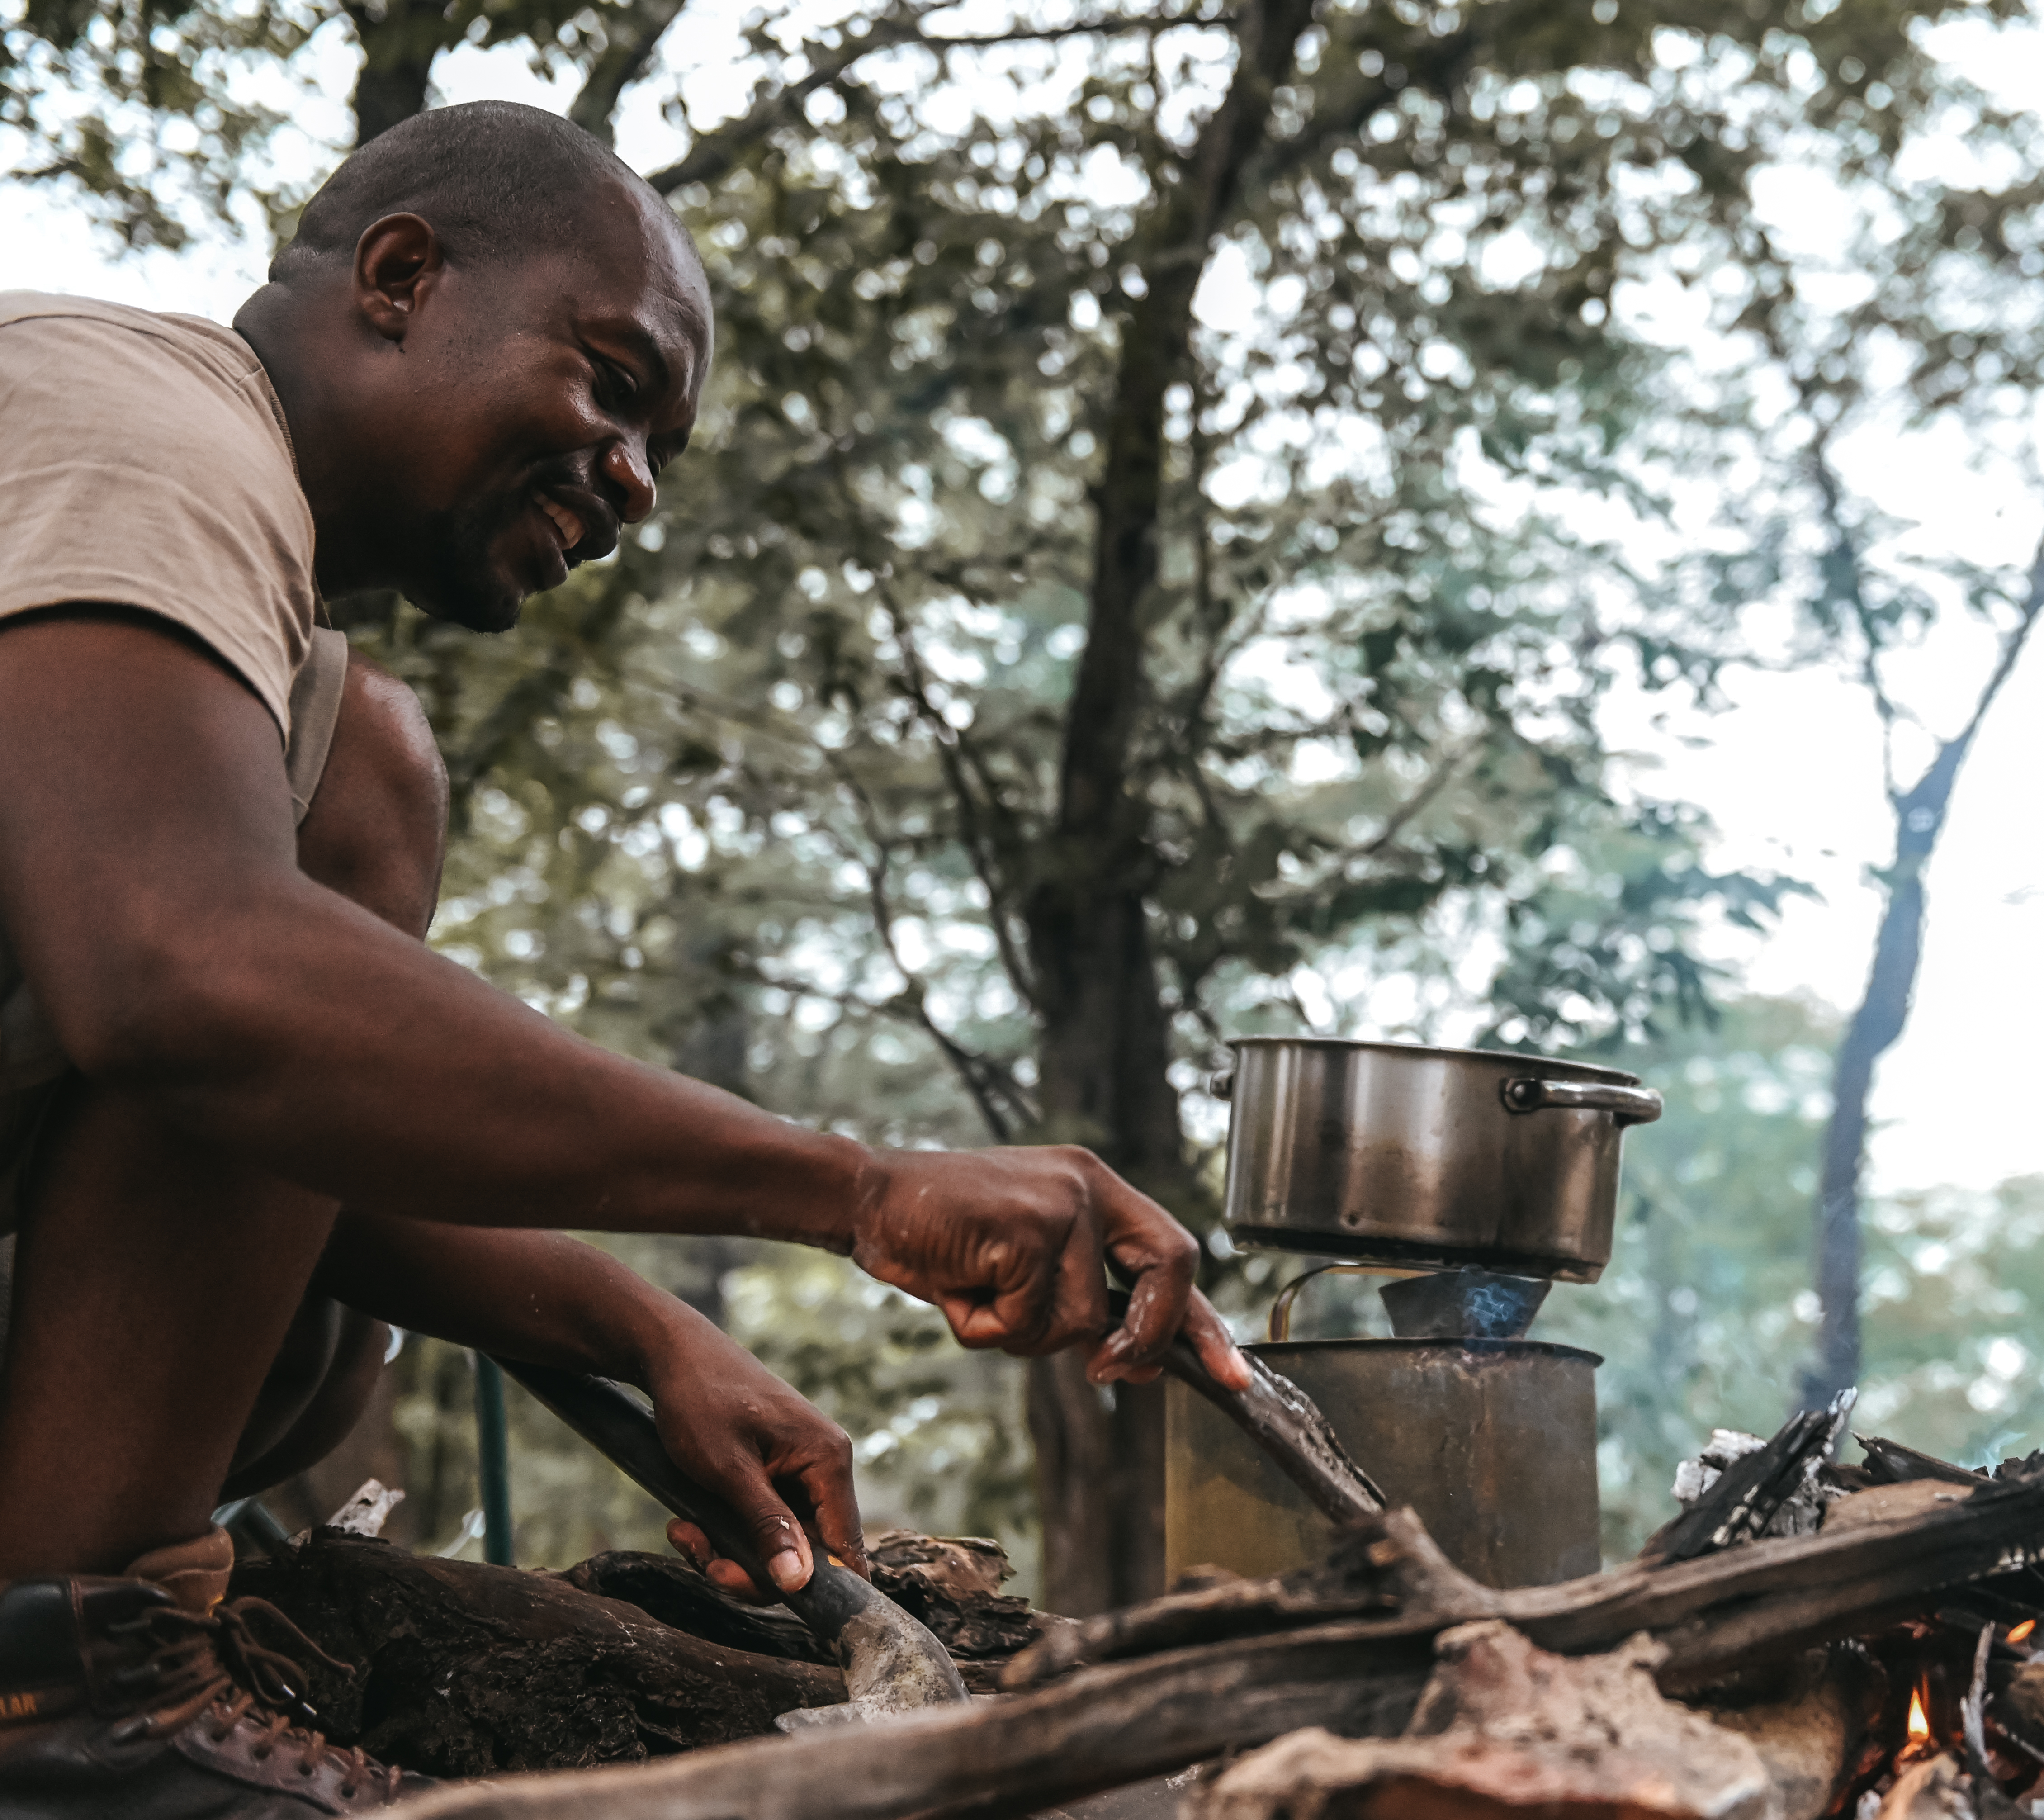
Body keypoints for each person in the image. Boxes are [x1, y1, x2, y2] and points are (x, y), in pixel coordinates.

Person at [0, 99, 1246, 1818]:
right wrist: (865, 1189)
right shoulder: (131, 426)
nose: (637, 483)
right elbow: (187, 976)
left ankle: (71, 1678)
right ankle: (76, 1712)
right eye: (613, 382)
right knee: (363, 776)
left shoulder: (248, 642)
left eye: (662, 445)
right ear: (400, 278)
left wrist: (640, 1331)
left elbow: (228, 1136)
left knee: (352, 770)